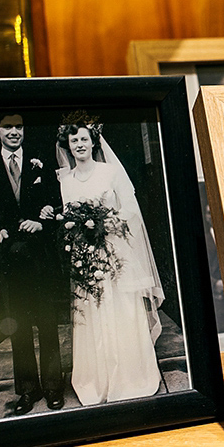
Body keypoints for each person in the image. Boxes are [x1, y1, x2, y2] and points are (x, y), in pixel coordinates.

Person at [54, 114, 165, 404]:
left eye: (83, 139)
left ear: (93, 142)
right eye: (73, 139)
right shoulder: (64, 179)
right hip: (84, 258)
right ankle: (97, 380)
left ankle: (130, 377)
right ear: (67, 144)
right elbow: (67, 218)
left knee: (120, 312)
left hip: (113, 254)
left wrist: (106, 225)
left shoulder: (110, 172)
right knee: (92, 314)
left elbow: (130, 210)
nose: (79, 144)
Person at [0, 113, 64, 415]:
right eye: (8, 128)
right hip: (11, 263)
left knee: (48, 323)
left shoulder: (40, 163)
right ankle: (28, 391)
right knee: (20, 327)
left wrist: (42, 224)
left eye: (19, 127)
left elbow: (57, 203)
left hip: (40, 259)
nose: (14, 132)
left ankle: (54, 388)